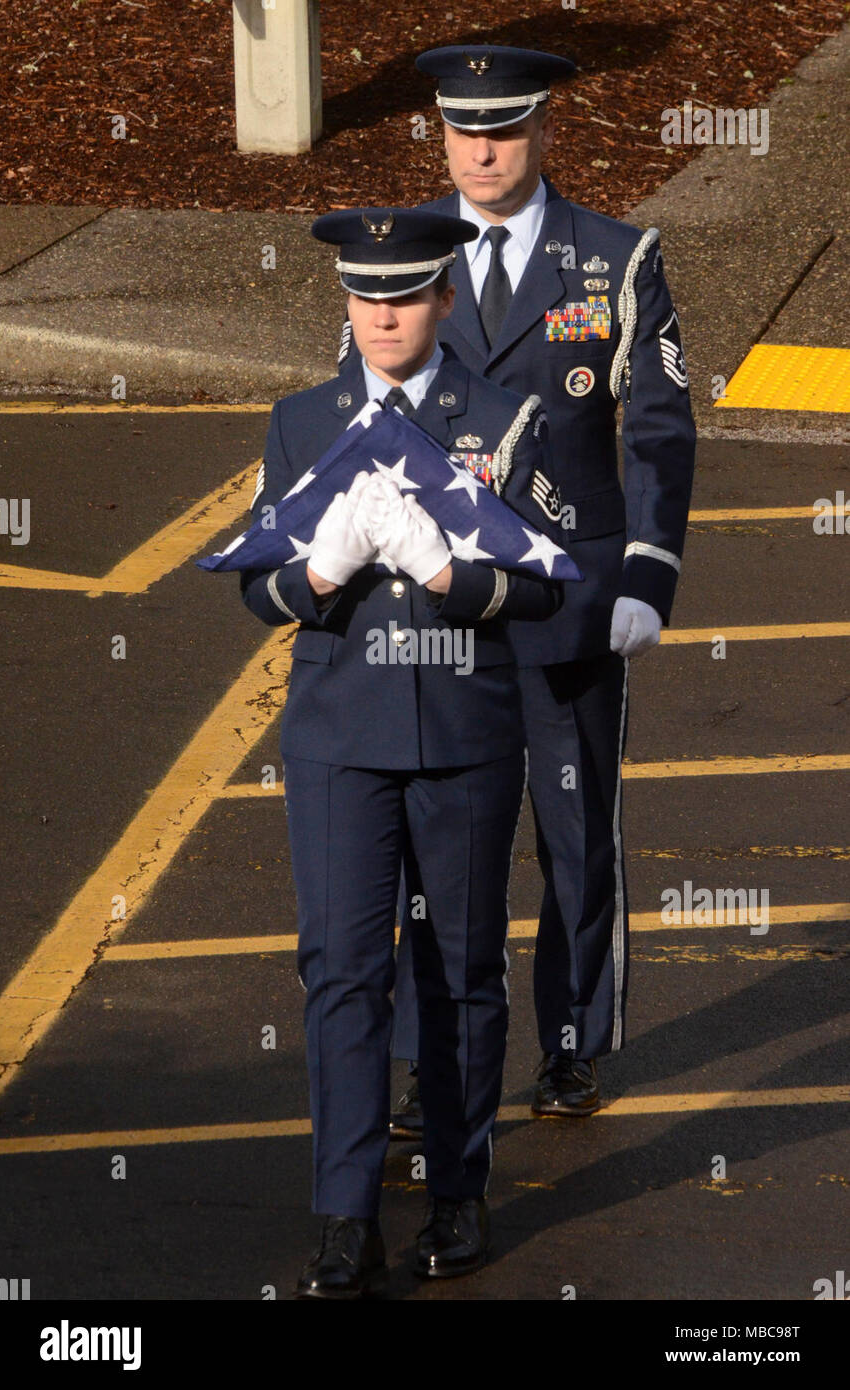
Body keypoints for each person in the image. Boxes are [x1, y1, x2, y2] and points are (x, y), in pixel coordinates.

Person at [343, 46, 697, 1133]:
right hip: (436, 607)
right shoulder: (400, 257)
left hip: (570, 606)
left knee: (575, 833)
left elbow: (655, 427)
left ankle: (573, 1046)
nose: (481, 149)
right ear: (440, 136)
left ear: (544, 130)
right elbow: (362, 422)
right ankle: (429, 1059)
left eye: (502, 128)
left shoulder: (615, 258)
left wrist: (645, 571)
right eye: (461, 129)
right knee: (435, 849)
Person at [239, 207, 571, 1296]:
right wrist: (319, 574)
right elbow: (258, 581)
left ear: (440, 299)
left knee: (462, 969)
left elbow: (543, 576)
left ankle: (457, 1192)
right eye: (365, 295)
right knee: (341, 970)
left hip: (464, 735)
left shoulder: (502, 415)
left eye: (406, 293)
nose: (383, 313)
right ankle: (344, 1214)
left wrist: (447, 575)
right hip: (339, 738)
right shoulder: (302, 421)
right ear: (346, 302)